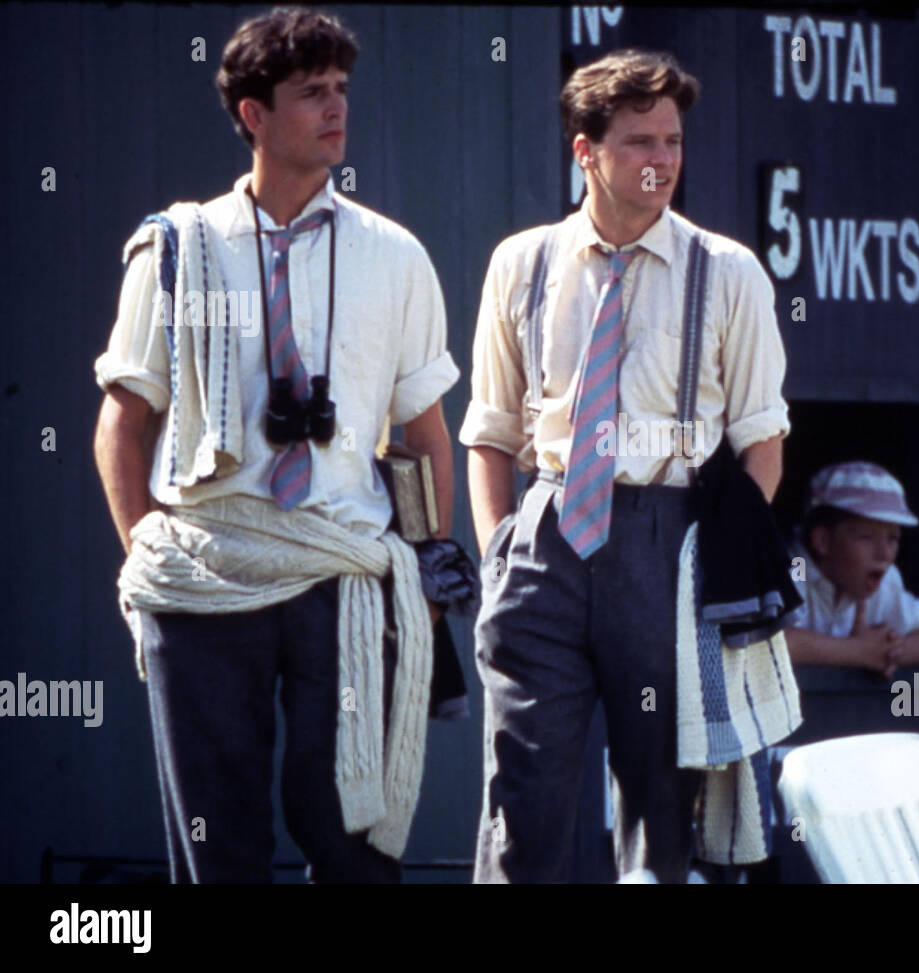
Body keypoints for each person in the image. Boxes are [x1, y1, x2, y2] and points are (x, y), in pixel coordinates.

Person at [91, 7, 459, 883]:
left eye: (341, 90)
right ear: (254, 115)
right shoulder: (179, 248)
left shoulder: (394, 255)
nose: (336, 110)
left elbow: (425, 434)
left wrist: (434, 567)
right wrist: (146, 559)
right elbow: (123, 418)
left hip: (343, 571)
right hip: (207, 570)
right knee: (219, 845)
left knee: (353, 837)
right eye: (310, 94)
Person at [459, 48, 794, 883]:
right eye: (640, 143)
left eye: (673, 142)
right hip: (548, 535)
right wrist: (502, 546)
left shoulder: (728, 271)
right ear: (586, 151)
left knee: (663, 803)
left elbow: (763, 440)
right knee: (521, 798)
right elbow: (490, 429)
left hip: (668, 537)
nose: (663, 162)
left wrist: (718, 550)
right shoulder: (523, 261)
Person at [785, 461, 919, 676]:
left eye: (893, 538)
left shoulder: (883, 577)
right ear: (822, 540)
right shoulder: (795, 567)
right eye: (866, 537)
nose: (884, 553)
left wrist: (888, 651)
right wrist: (860, 652)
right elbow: (772, 642)